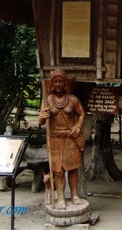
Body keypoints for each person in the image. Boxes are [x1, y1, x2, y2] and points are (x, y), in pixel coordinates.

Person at [39, 69, 85, 210]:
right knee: (58, 171)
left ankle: (74, 195)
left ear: (65, 83)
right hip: (55, 140)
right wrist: (43, 116)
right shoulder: (47, 100)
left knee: (72, 169)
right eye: (55, 81)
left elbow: (82, 114)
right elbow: (41, 122)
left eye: (61, 81)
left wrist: (77, 127)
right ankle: (60, 198)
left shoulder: (73, 99)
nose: (58, 84)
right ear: (52, 83)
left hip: (71, 139)